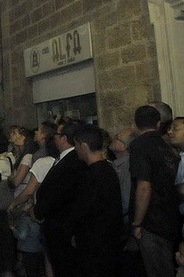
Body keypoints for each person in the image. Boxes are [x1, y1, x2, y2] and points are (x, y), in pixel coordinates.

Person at [130, 104, 179, 276]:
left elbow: (144, 187)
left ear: (135, 124)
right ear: (159, 124)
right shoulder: (166, 146)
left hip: (152, 222)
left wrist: (137, 222)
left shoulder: (139, 146)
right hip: (169, 217)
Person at [33, 119, 86, 277]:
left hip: (62, 228)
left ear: (63, 138)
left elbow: (57, 193)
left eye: (56, 134)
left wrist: (38, 210)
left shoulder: (71, 162)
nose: (54, 138)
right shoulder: (66, 160)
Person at [71, 124, 123, 276]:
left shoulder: (93, 175)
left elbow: (85, 209)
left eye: (76, 145)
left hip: (94, 244)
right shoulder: (108, 170)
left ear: (84, 146)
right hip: (108, 241)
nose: (75, 149)